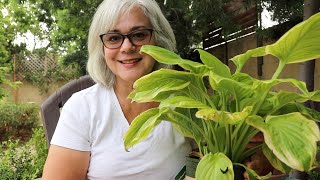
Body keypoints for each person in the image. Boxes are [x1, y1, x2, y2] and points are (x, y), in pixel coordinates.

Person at [42, 0, 191, 179]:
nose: (127, 47)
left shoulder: (187, 104)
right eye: (113, 38)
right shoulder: (83, 108)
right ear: (101, 48)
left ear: (159, 40)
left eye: (139, 34)